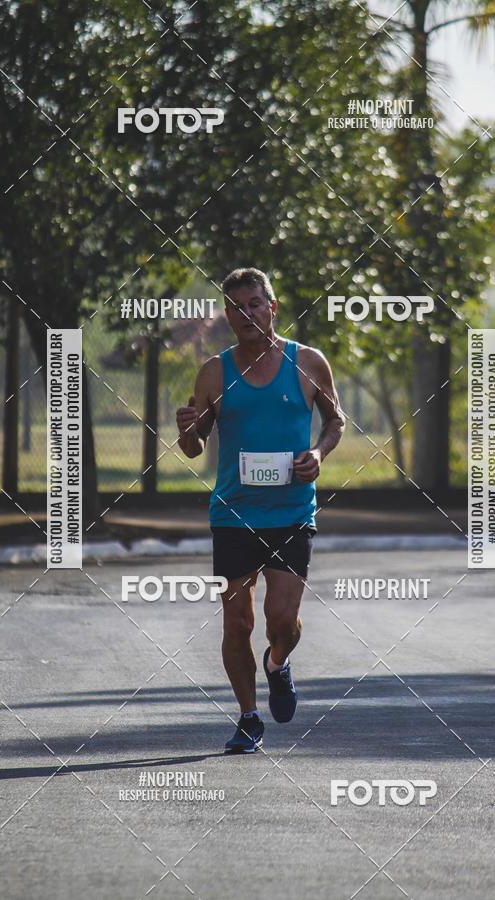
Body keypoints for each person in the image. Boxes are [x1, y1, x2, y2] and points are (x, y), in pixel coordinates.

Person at [177, 267, 345, 753]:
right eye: (236, 306)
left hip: (292, 512)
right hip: (234, 515)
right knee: (237, 624)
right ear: (227, 315)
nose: (246, 312)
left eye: (254, 303)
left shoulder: (309, 363)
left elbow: (336, 420)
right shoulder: (214, 371)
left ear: (272, 308)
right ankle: (249, 719)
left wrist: (318, 453)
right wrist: (188, 428)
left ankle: (277, 663)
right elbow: (193, 446)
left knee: (281, 621)